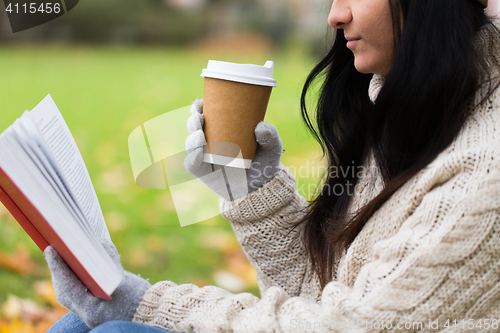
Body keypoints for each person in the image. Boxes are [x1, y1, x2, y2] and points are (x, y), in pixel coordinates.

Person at [46, 0, 500, 332]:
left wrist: (147, 304)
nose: (335, 15)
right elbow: (324, 290)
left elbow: (341, 327)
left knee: (115, 331)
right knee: (77, 325)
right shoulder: (417, 114)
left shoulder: (484, 170)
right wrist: (254, 190)